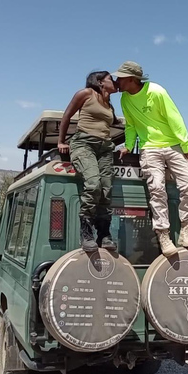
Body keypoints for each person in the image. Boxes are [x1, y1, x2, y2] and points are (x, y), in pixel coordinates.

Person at [115, 61, 188, 257]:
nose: (117, 81)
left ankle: (187, 230)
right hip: (149, 148)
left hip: (173, 145)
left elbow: (174, 119)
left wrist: (186, 148)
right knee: (157, 188)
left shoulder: (157, 91)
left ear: (131, 79)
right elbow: (131, 125)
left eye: (120, 78)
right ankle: (163, 235)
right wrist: (128, 145)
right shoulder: (125, 99)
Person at [57, 71, 119, 253]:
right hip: (84, 143)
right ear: (100, 82)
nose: (114, 82)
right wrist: (61, 141)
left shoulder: (109, 103)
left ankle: (104, 234)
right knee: (93, 184)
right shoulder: (85, 94)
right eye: (111, 79)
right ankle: (86, 234)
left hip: (105, 148)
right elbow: (67, 116)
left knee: (106, 190)